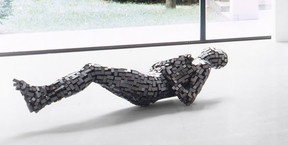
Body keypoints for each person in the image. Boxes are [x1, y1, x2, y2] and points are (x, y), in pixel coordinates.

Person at [13, 48, 228, 113]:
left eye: (214, 54)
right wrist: (169, 67)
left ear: (215, 61)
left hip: (151, 87)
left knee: (93, 70)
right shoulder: (190, 60)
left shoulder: (202, 69)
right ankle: (42, 96)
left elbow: (189, 98)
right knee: (93, 71)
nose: (209, 53)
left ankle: (42, 96)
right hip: (147, 81)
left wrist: (173, 80)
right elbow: (156, 66)